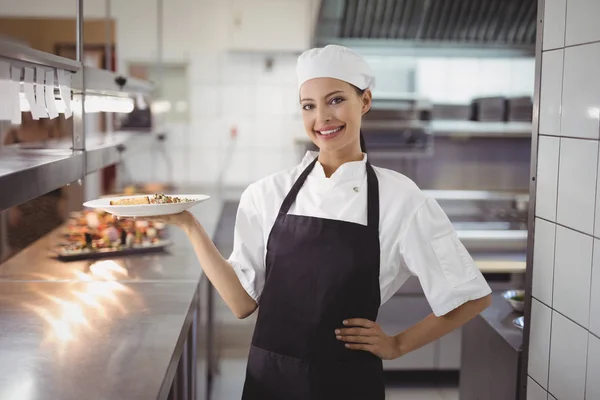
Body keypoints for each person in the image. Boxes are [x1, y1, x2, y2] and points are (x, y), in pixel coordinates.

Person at [146, 45, 492, 399]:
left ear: (365, 101)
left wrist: (398, 344)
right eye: (309, 106)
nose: (322, 117)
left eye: (336, 100)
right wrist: (190, 225)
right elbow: (241, 303)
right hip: (270, 383)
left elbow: (469, 296)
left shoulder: (401, 199)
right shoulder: (267, 193)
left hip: (348, 385)